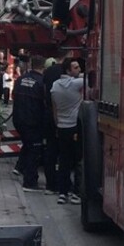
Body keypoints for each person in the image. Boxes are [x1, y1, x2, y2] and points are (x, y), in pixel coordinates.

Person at [49, 58, 84, 205]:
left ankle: (63, 192)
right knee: (78, 161)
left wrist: (57, 125)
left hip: (62, 127)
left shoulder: (55, 86)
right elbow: (92, 77)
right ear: (68, 71)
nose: (79, 69)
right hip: (75, 127)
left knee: (64, 161)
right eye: (75, 68)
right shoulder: (75, 84)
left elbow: (55, 110)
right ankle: (76, 192)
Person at [11, 55, 49, 192]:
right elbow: (44, 104)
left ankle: (20, 167)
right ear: (43, 67)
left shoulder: (20, 79)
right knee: (34, 150)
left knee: (27, 145)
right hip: (33, 121)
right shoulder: (41, 82)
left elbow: (13, 97)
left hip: (18, 120)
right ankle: (30, 182)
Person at [40, 56, 64, 195]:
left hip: (49, 115)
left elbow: (43, 93)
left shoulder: (48, 73)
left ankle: (50, 185)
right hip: (65, 120)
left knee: (50, 150)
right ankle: (62, 186)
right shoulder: (67, 79)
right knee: (65, 154)